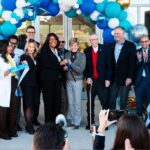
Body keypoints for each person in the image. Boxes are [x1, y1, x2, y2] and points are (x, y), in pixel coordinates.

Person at [84, 33, 112, 129]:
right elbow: (86, 68)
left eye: (95, 39)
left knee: (104, 102)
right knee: (90, 103)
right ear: (90, 41)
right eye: (91, 40)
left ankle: (104, 123)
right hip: (91, 81)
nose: (93, 41)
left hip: (102, 81)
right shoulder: (86, 51)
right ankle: (90, 123)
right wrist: (87, 77)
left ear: (98, 39)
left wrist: (108, 79)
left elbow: (109, 66)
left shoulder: (105, 49)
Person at [108, 26, 136, 110]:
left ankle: (123, 119)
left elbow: (132, 63)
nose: (116, 35)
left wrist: (129, 77)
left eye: (118, 33)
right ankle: (112, 118)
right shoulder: (111, 45)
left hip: (125, 78)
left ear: (123, 34)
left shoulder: (130, 45)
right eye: (115, 33)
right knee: (111, 100)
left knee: (123, 101)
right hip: (113, 78)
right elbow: (109, 63)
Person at [61, 38, 86, 129]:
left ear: (78, 46)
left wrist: (70, 64)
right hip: (68, 80)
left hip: (77, 81)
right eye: (71, 45)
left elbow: (81, 70)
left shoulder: (82, 55)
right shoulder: (67, 54)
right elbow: (64, 67)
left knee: (77, 102)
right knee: (70, 102)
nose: (73, 47)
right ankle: (72, 120)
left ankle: (77, 122)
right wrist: (64, 68)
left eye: (75, 45)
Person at [38, 33, 63, 123]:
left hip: (57, 80)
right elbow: (45, 64)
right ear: (48, 40)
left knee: (57, 102)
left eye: (55, 39)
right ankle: (48, 123)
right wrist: (60, 64)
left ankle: (55, 122)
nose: (53, 41)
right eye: (51, 39)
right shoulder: (44, 50)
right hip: (47, 81)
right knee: (49, 102)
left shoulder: (56, 50)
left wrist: (62, 67)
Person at [20, 39, 39, 134]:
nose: (31, 48)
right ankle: (29, 126)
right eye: (30, 47)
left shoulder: (36, 57)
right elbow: (26, 67)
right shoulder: (23, 56)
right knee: (28, 105)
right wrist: (29, 64)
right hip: (27, 84)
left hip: (35, 84)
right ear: (27, 47)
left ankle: (30, 123)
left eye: (33, 47)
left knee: (33, 105)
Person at [8, 35, 24, 131]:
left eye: (15, 43)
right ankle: (8, 123)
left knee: (17, 103)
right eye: (11, 43)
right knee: (8, 103)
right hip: (7, 81)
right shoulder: (4, 52)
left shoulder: (20, 52)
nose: (13, 45)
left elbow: (22, 65)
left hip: (19, 81)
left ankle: (16, 123)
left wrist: (24, 65)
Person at [135, 35, 150, 117]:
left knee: (149, 103)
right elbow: (134, 67)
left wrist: (147, 60)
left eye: (146, 41)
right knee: (138, 103)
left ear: (149, 42)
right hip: (139, 82)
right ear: (140, 43)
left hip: (149, 81)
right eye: (142, 42)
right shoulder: (137, 52)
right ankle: (139, 122)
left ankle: (148, 122)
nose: (144, 43)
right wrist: (140, 60)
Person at [0, 41, 12, 140]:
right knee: (2, 111)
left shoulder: (8, 57)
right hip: (2, 87)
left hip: (8, 86)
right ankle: (2, 132)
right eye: (9, 45)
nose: (11, 47)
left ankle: (4, 130)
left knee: (5, 110)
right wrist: (5, 73)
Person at [58, 36, 69, 116]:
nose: (61, 43)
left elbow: (72, 63)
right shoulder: (54, 51)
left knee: (64, 99)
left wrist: (67, 67)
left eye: (63, 41)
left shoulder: (68, 52)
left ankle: (63, 116)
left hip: (67, 78)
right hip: (56, 78)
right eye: (59, 41)